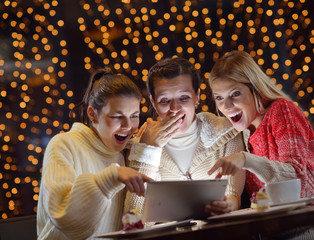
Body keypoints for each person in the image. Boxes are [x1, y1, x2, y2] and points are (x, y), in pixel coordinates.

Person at [208, 50, 314, 239]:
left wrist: (246, 159)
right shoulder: (244, 134)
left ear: (254, 88)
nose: (227, 106)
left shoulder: (282, 111)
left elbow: (295, 177)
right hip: (279, 231)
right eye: (219, 98)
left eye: (235, 94)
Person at [37, 68, 152, 240]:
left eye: (134, 116)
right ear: (93, 114)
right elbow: (66, 219)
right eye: (116, 117)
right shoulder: (64, 144)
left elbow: (141, 218)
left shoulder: (129, 152)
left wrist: (150, 147)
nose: (128, 126)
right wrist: (110, 177)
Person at [124, 57, 246, 218]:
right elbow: (134, 217)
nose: (175, 109)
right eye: (165, 100)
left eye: (184, 98)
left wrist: (227, 205)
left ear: (197, 97)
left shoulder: (227, 132)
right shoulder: (137, 147)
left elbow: (232, 195)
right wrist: (148, 151)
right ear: (153, 103)